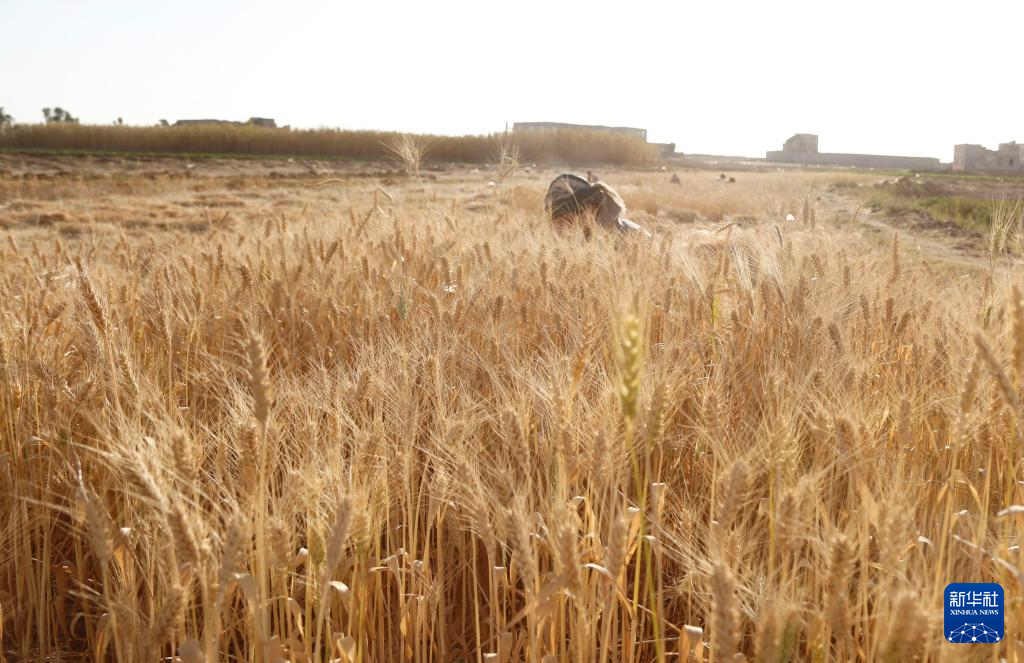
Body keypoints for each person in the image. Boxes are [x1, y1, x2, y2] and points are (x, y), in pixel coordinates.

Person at [544, 174, 649, 237]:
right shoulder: (567, 243)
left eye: (569, 221)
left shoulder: (632, 237)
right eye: (559, 224)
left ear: (591, 208)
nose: (564, 229)